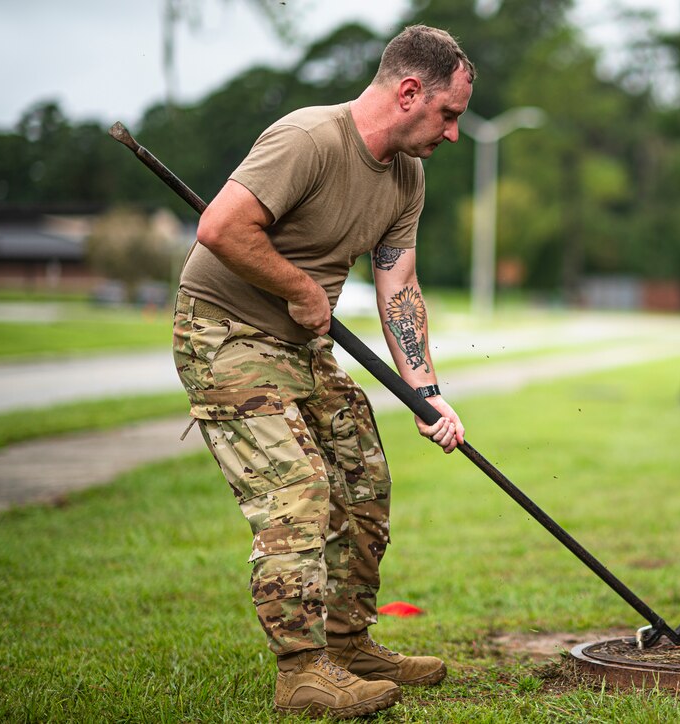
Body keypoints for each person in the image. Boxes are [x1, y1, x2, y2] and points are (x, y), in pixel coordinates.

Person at [171, 25, 475, 718]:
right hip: (225, 335)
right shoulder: (308, 139)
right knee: (299, 489)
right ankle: (303, 673)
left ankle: (348, 644)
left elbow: (399, 288)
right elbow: (220, 227)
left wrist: (427, 395)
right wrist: (299, 287)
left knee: (365, 481)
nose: (452, 134)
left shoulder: (407, 176)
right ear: (408, 93)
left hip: (303, 349)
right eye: (449, 115)